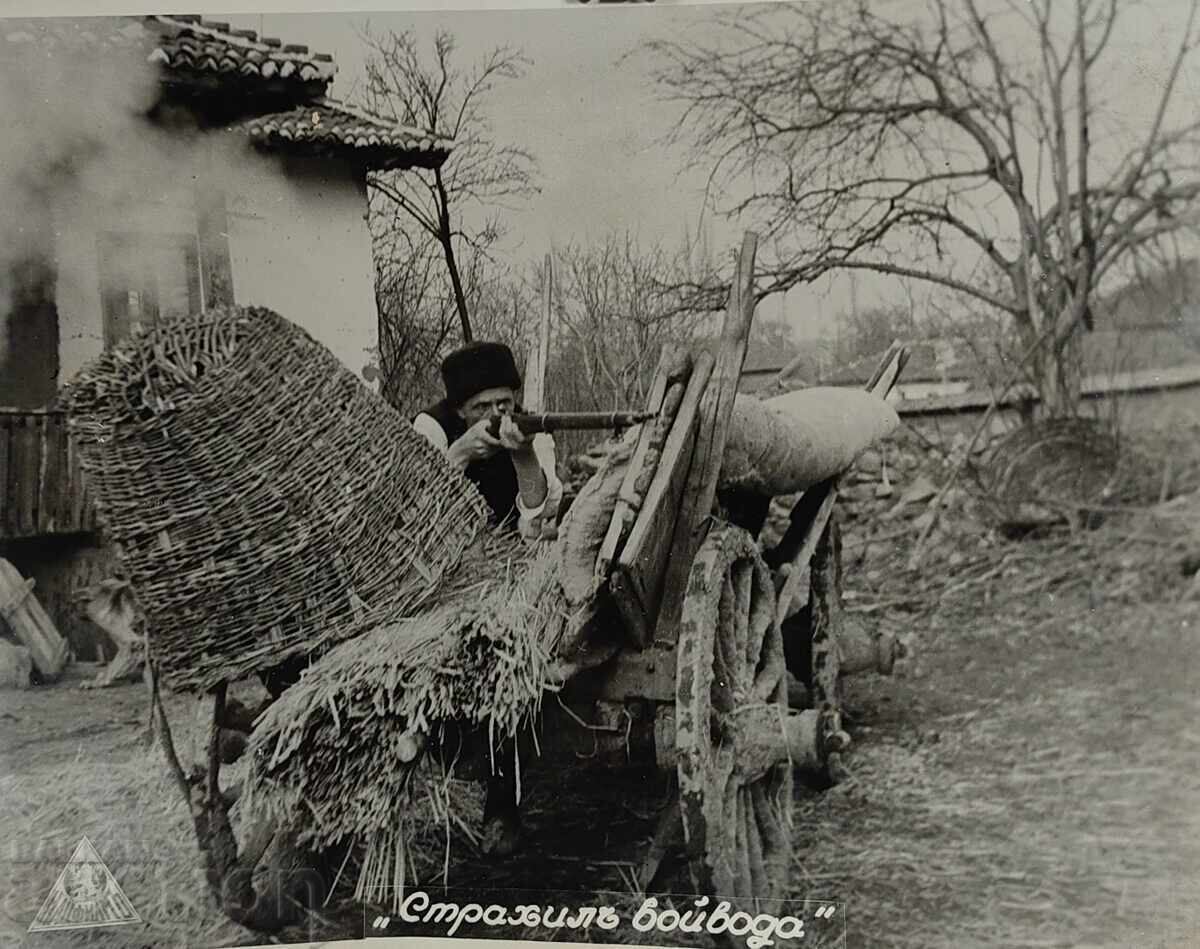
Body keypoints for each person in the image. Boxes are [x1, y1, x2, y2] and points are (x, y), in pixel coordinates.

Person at [412, 340, 563, 857]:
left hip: (505, 576)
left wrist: (522, 456)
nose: (500, 415)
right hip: (439, 573)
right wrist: (458, 456)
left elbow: (540, 526)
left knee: (505, 656)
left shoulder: (529, 431)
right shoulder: (431, 430)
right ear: (460, 410)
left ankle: (503, 804)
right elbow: (411, 513)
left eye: (506, 403)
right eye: (485, 408)